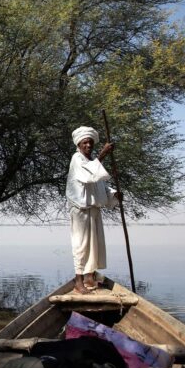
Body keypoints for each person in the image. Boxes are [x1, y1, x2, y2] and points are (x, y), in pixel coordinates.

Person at [66, 126, 122, 295]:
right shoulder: (77, 159)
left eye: (90, 142)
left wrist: (114, 195)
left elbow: (99, 185)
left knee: (95, 245)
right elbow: (88, 176)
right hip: (81, 210)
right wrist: (103, 154)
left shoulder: (91, 163)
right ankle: (78, 281)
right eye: (85, 142)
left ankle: (89, 277)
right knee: (81, 245)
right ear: (79, 145)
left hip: (94, 210)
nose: (88, 145)